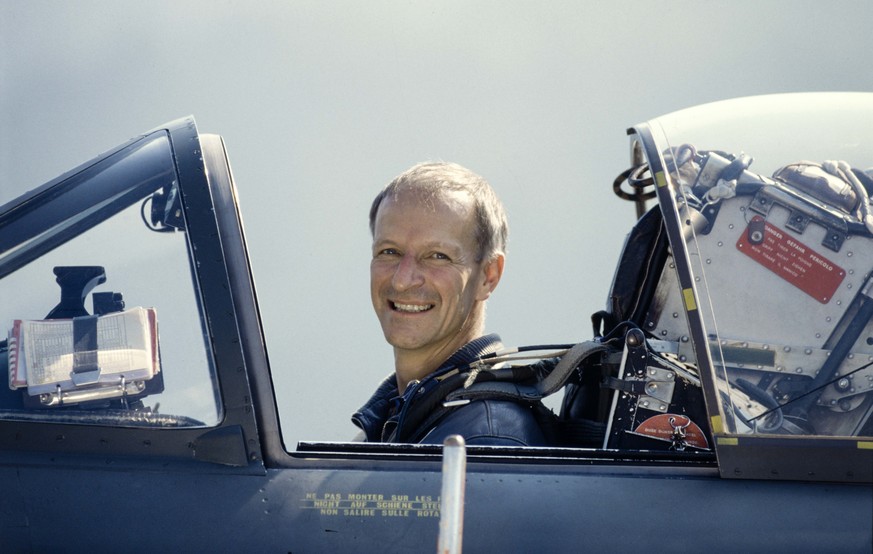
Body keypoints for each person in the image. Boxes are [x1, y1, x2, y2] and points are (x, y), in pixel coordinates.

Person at [352, 161, 547, 446]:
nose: (403, 280)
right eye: (389, 251)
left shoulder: (486, 441)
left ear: (488, 276)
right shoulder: (396, 418)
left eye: (437, 256)